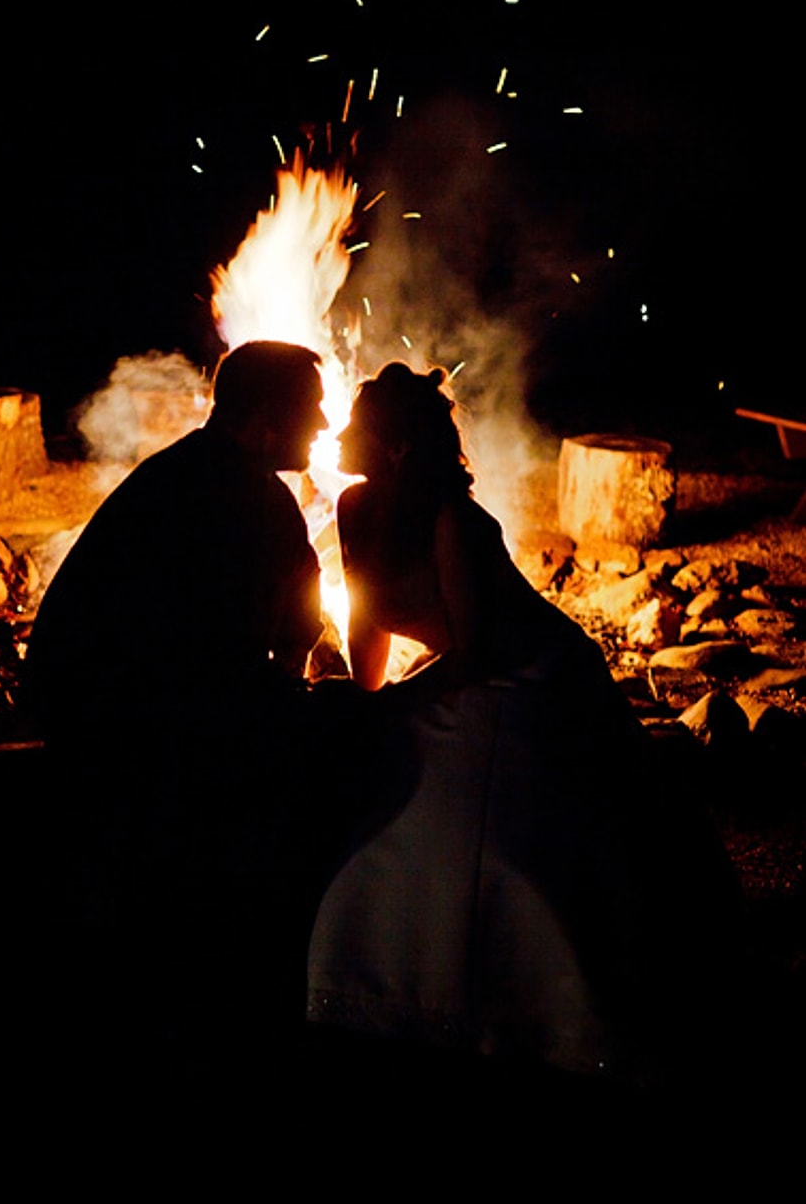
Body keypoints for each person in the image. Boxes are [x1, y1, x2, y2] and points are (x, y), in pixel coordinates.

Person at [307, 362, 744, 1089]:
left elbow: (476, 649)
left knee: (481, 812)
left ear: (398, 448)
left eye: (356, 426)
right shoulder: (352, 506)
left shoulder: (455, 520)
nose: (338, 434)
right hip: (456, 674)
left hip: (526, 674)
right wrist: (367, 700)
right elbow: (366, 617)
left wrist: (396, 709)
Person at [23, 340, 378, 1057]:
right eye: (312, 411)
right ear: (266, 417)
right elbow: (291, 646)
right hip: (136, 741)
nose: (323, 426)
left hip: (87, 712)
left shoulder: (175, 472)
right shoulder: (254, 500)